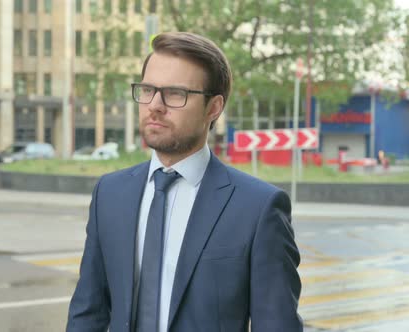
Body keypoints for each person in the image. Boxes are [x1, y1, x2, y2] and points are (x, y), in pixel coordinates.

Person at [66, 32, 303, 332]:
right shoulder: (110, 194)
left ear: (213, 108)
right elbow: (88, 313)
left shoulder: (258, 209)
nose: (155, 105)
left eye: (175, 93)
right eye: (148, 89)